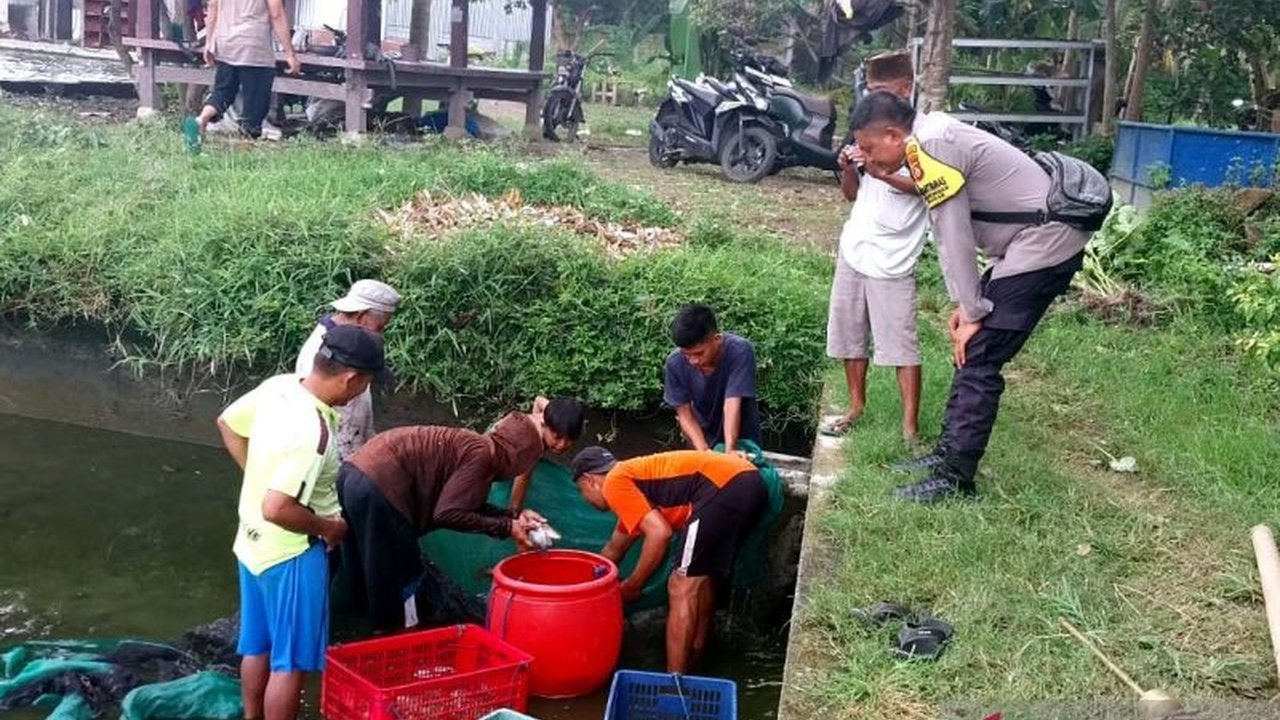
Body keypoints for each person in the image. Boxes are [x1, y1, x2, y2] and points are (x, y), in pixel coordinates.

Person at [849, 91, 1090, 503]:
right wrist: (969, 304)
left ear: (893, 134)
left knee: (980, 351)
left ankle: (955, 479)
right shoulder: (931, 135)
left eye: (871, 150)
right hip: (1026, 243)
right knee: (971, 347)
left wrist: (972, 308)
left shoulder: (930, 146)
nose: (868, 161)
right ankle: (946, 457)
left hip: (1045, 242)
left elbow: (952, 233)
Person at [216, 324, 385, 720]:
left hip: (251, 541)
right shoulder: (315, 434)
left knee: (257, 645)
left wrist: (257, 476)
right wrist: (330, 528)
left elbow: (227, 423)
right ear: (351, 378)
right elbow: (278, 507)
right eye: (367, 384)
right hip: (290, 552)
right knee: (289, 662)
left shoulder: (281, 386)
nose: (363, 392)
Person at [337, 398, 584, 632]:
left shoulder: (483, 448)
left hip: (353, 473)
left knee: (363, 563)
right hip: (379, 486)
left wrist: (512, 519)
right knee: (400, 574)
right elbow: (448, 513)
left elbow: (466, 507)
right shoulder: (483, 458)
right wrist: (508, 528)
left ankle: (360, 630)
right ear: (517, 459)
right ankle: (390, 638)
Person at [570, 446, 768, 673]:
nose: (584, 498)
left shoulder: (616, 481)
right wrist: (582, 588)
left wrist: (634, 584)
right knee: (700, 577)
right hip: (749, 483)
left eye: (580, 490)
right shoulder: (633, 488)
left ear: (590, 480)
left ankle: (673, 682)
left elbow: (659, 533)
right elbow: (613, 550)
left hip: (726, 487)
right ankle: (697, 653)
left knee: (680, 585)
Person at [822, 50, 927, 442]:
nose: (873, 99)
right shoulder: (867, 128)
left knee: (901, 341)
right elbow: (850, 194)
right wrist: (851, 167)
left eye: (881, 91)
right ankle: (855, 406)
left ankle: (909, 427)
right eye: (869, 91)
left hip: (895, 256)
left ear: (905, 88)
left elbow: (925, 188)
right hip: (856, 246)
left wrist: (879, 171)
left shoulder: (920, 136)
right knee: (849, 330)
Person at [296, 280, 401, 459]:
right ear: (361, 316)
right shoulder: (323, 353)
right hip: (338, 452)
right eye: (380, 327)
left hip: (355, 443)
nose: (380, 334)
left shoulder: (349, 344)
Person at [183, 0, 301, 148]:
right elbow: (276, 13)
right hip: (254, 46)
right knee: (255, 103)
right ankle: (248, 145)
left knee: (222, 92)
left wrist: (209, 42)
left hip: (226, 44)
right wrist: (290, 53)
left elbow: (213, 5)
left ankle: (200, 120)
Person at [663, 305, 761, 453]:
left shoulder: (740, 351)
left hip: (742, 440)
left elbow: (732, 404)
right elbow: (685, 415)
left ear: (717, 339)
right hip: (702, 437)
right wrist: (704, 451)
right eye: (686, 355)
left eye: (699, 353)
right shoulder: (674, 363)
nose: (693, 361)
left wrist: (731, 450)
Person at [507, 395, 585, 512]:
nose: (562, 445)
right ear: (544, 425)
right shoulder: (532, 445)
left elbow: (539, 400)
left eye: (569, 439)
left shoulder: (555, 414)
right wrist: (513, 513)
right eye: (557, 437)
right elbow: (523, 477)